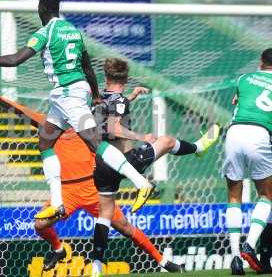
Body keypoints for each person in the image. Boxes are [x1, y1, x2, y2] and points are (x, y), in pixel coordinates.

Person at [0, 0, 153, 220]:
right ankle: (57, 203)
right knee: (45, 142)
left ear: (42, 10)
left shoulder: (45, 32)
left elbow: (15, 60)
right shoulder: (73, 31)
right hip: (70, 94)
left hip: (69, 95)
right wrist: (94, 94)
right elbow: (87, 67)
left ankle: (141, 183)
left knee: (95, 144)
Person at [0, 79, 184, 274]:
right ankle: (58, 249)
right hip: (66, 193)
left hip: (92, 190)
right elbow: (20, 110)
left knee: (125, 227)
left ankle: (163, 262)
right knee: (40, 225)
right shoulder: (49, 124)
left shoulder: (88, 124)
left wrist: (131, 98)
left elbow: (114, 110)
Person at [90, 58, 220, 277]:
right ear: (127, 78)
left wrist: (130, 97)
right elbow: (114, 128)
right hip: (124, 161)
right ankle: (198, 148)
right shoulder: (119, 99)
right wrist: (142, 136)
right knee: (167, 141)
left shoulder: (98, 97)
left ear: (105, 77)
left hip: (101, 164)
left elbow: (106, 116)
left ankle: (96, 270)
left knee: (104, 214)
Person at [223, 48, 272, 275]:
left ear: (261, 61)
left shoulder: (243, 79)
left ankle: (235, 260)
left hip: (234, 133)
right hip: (260, 135)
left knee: (234, 195)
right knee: (267, 194)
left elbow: (238, 100)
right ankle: (250, 245)